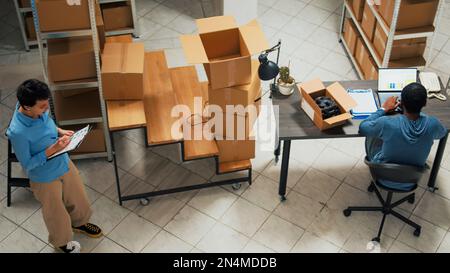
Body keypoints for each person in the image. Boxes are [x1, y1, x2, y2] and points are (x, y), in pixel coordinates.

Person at [6, 79, 103, 253]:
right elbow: (27, 164)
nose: (46, 110)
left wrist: (60, 131)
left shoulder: (38, 110)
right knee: (55, 213)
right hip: (45, 177)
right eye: (42, 106)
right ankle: (62, 243)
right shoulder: (17, 132)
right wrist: (52, 150)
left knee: (78, 197)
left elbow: (47, 122)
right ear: (27, 107)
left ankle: (80, 223)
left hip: (63, 162)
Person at [359, 82, 447, 190]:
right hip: (411, 180)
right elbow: (442, 133)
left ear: (401, 103)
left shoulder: (387, 123)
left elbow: (363, 128)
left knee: (373, 134)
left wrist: (383, 109)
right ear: (424, 104)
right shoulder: (433, 124)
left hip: (382, 175)